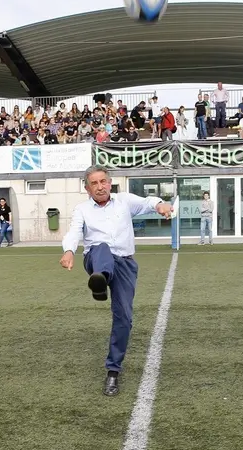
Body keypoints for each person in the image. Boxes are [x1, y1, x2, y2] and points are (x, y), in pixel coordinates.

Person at [60, 167, 173, 396]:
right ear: (87, 188)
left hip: (124, 264)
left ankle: (113, 371)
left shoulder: (125, 201)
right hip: (96, 259)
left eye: (103, 181)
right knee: (102, 247)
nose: (100, 186)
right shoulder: (82, 209)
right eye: (94, 183)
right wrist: (69, 250)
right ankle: (100, 280)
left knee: (124, 319)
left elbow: (148, 201)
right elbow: (74, 231)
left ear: (109, 183)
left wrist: (160, 205)